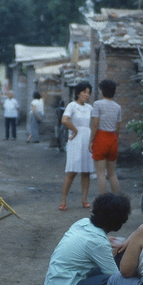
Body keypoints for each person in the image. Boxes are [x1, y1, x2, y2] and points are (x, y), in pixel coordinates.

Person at [45, 193, 131, 285]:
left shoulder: (83, 223)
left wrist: (106, 241)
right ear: (118, 221)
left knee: (111, 269)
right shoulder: (97, 242)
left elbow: (92, 244)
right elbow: (116, 278)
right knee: (110, 282)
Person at [60, 82, 95, 211]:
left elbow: (95, 123)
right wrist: (74, 130)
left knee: (86, 171)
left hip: (87, 139)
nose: (86, 95)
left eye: (88, 93)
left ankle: (84, 199)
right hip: (75, 139)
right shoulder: (72, 106)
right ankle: (63, 200)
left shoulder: (90, 108)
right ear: (78, 93)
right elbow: (64, 120)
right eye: (84, 92)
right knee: (71, 171)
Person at [90, 80, 122, 195]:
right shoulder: (117, 107)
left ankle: (102, 202)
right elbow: (118, 127)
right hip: (112, 138)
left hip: (101, 137)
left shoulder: (97, 104)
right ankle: (118, 200)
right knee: (112, 173)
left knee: (100, 174)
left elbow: (95, 124)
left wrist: (91, 140)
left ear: (102, 90)